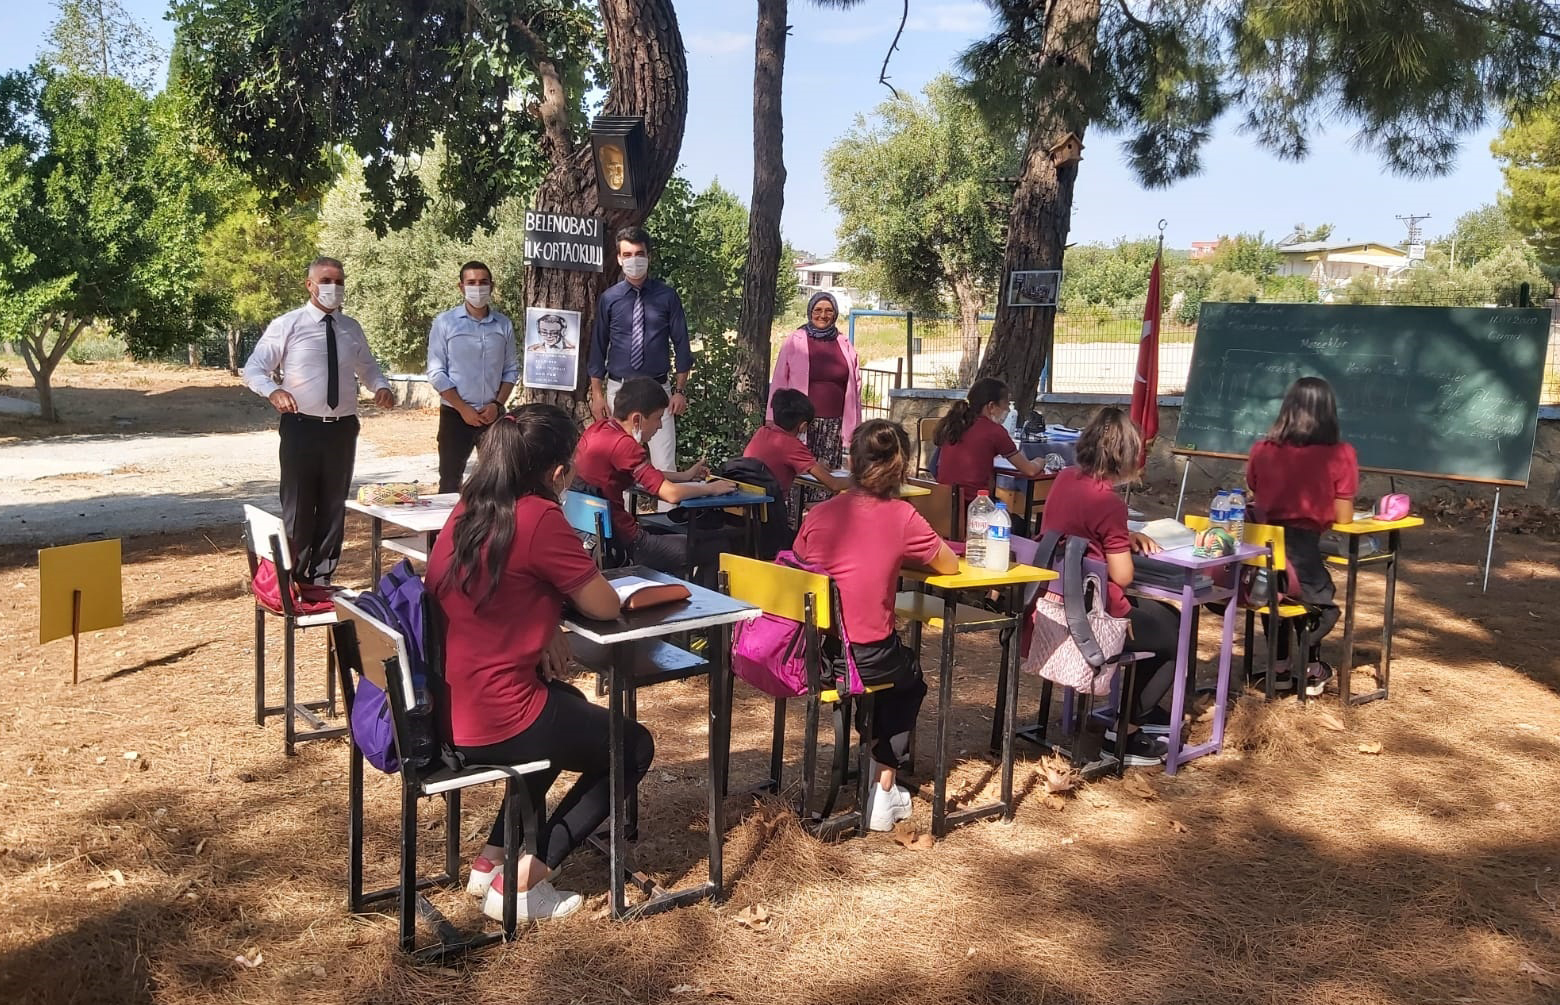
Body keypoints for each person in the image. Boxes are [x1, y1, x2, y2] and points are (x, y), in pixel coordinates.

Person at [426, 404, 653, 923]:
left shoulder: (468, 507)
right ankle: (523, 882)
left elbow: (497, 587)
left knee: (566, 707)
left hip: (450, 707)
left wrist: (547, 618)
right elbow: (603, 604)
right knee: (632, 746)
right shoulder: (540, 515)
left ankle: (492, 856)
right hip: (500, 716)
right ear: (557, 473)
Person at [793, 420, 959, 831]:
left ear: (852, 461)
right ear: (901, 470)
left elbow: (798, 561)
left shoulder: (820, 513)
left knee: (888, 670)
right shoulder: (901, 516)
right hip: (863, 657)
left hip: (816, 655)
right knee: (909, 678)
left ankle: (872, 758)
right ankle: (884, 788)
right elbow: (950, 564)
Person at [243, 256, 394, 585]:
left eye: (339, 282)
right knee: (299, 505)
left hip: (342, 428)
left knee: (333, 504)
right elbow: (254, 368)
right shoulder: (289, 325)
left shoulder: (350, 328)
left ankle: (322, 577)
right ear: (309, 285)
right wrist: (273, 392)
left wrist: (380, 386)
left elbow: (367, 366)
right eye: (326, 281)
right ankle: (293, 579)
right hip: (302, 426)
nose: (333, 288)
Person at [1039, 407, 1177, 765]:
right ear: (1126, 457)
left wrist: (1122, 535)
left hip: (1056, 601)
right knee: (1176, 632)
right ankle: (1128, 730)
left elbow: (1079, 530)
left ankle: (1139, 711)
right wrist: (1119, 538)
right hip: (1093, 617)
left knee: (1162, 619)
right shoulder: (1109, 502)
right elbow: (1124, 576)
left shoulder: (1065, 478)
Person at [1246, 376, 1359, 696]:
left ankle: (1279, 667)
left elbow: (1255, 489)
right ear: (1329, 412)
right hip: (1304, 550)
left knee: (1276, 594)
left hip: (1263, 555)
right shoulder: (1341, 454)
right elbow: (1344, 516)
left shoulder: (1262, 449)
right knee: (1314, 595)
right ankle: (1311, 669)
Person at [573, 377, 737, 575]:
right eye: (658, 417)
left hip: (599, 539)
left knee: (677, 537)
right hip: (628, 544)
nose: (659, 426)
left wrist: (685, 475)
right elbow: (671, 495)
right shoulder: (624, 446)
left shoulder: (597, 430)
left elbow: (644, 477)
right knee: (717, 547)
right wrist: (711, 488)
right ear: (637, 419)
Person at [587, 227, 692, 478]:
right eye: (628, 254)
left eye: (639, 253)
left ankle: (666, 517)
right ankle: (620, 516)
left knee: (664, 462)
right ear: (620, 258)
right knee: (617, 463)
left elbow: (682, 345)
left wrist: (679, 391)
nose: (634, 259)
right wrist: (597, 395)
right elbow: (598, 347)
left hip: (658, 391)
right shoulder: (609, 299)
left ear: (649, 256)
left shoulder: (667, 297)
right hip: (619, 391)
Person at [425, 260, 519, 494]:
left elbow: (510, 370)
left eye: (483, 282)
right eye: (472, 283)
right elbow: (436, 372)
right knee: (449, 482)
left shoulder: (503, 324)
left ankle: (495, 529)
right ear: (461, 287)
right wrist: (462, 408)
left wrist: (497, 404)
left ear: (492, 286)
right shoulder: (444, 323)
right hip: (456, 415)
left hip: (492, 415)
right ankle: (446, 531)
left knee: (499, 481)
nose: (478, 288)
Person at [769, 292, 863, 478]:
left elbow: (856, 387)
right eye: (818, 310)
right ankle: (798, 509)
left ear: (835, 314)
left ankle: (822, 508)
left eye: (828, 310)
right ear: (810, 312)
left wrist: (856, 429)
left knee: (829, 478)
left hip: (833, 427)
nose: (823, 315)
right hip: (800, 424)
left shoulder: (844, 343)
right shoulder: (795, 341)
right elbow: (779, 380)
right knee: (801, 477)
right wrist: (772, 418)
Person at [933, 377, 1046, 505]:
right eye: (1006, 404)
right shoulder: (994, 431)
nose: (1008, 410)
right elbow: (1029, 470)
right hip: (975, 507)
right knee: (1015, 519)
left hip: (943, 505)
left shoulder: (953, 424)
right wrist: (1040, 461)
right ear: (991, 406)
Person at [743, 389, 851, 497]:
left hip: (749, 499)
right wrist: (861, 480)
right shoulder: (793, 445)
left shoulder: (762, 432)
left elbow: (777, 464)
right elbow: (834, 484)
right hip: (771, 506)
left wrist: (815, 466)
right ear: (803, 426)